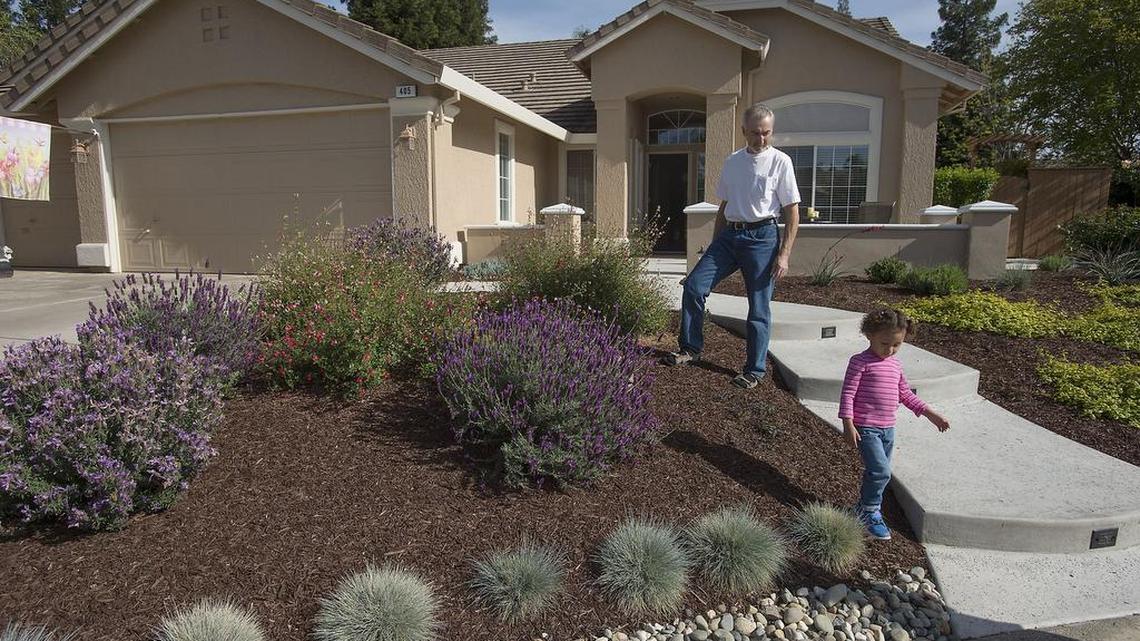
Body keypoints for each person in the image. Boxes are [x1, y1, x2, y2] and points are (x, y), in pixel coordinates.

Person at [664, 103, 801, 389]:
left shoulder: (781, 162)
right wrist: (715, 244)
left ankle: (754, 370)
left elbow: (792, 211)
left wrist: (784, 254)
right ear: (743, 131)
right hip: (729, 237)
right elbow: (724, 205)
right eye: (755, 133)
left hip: (763, 238)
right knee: (693, 287)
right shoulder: (733, 161)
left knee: (759, 307)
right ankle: (690, 349)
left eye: (766, 133)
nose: (761, 139)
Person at [839, 308, 951, 540]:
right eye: (884, 343)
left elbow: (905, 394)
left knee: (877, 472)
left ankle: (862, 507)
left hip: (888, 428)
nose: (889, 350)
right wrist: (848, 424)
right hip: (865, 427)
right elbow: (848, 394)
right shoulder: (860, 362)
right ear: (870, 335)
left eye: (896, 345)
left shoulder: (895, 365)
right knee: (881, 471)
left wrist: (931, 413)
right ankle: (870, 511)